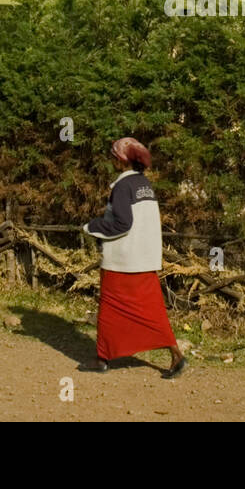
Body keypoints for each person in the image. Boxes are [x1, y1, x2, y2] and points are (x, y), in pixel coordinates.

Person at [79, 137, 186, 378]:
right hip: (144, 259)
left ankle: (102, 359)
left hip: (122, 260)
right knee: (152, 311)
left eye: (113, 157)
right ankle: (175, 353)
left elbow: (122, 224)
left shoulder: (122, 187)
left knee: (109, 308)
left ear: (120, 161)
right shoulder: (144, 184)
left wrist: (91, 226)